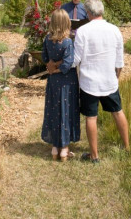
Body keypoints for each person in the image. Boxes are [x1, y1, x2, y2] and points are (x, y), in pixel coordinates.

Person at [73, 0, 129, 163]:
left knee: (91, 117)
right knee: (117, 112)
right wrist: (116, 77)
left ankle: (94, 156)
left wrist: (59, 64)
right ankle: (127, 148)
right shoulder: (114, 30)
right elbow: (119, 61)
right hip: (109, 81)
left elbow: (76, 60)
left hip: (89, 82)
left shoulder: (83, 31)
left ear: (88, 13)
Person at [41, 9, 80, 161]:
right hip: (67, 82)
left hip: (52, 82)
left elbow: (45, 57)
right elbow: (68, 64)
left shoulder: (47, 39)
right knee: (66, 111)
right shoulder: (68, 41)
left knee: (54, 110)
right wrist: (57, 69)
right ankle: (64, 149)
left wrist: (51, 67)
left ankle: (54, 148)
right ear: (66, 23)